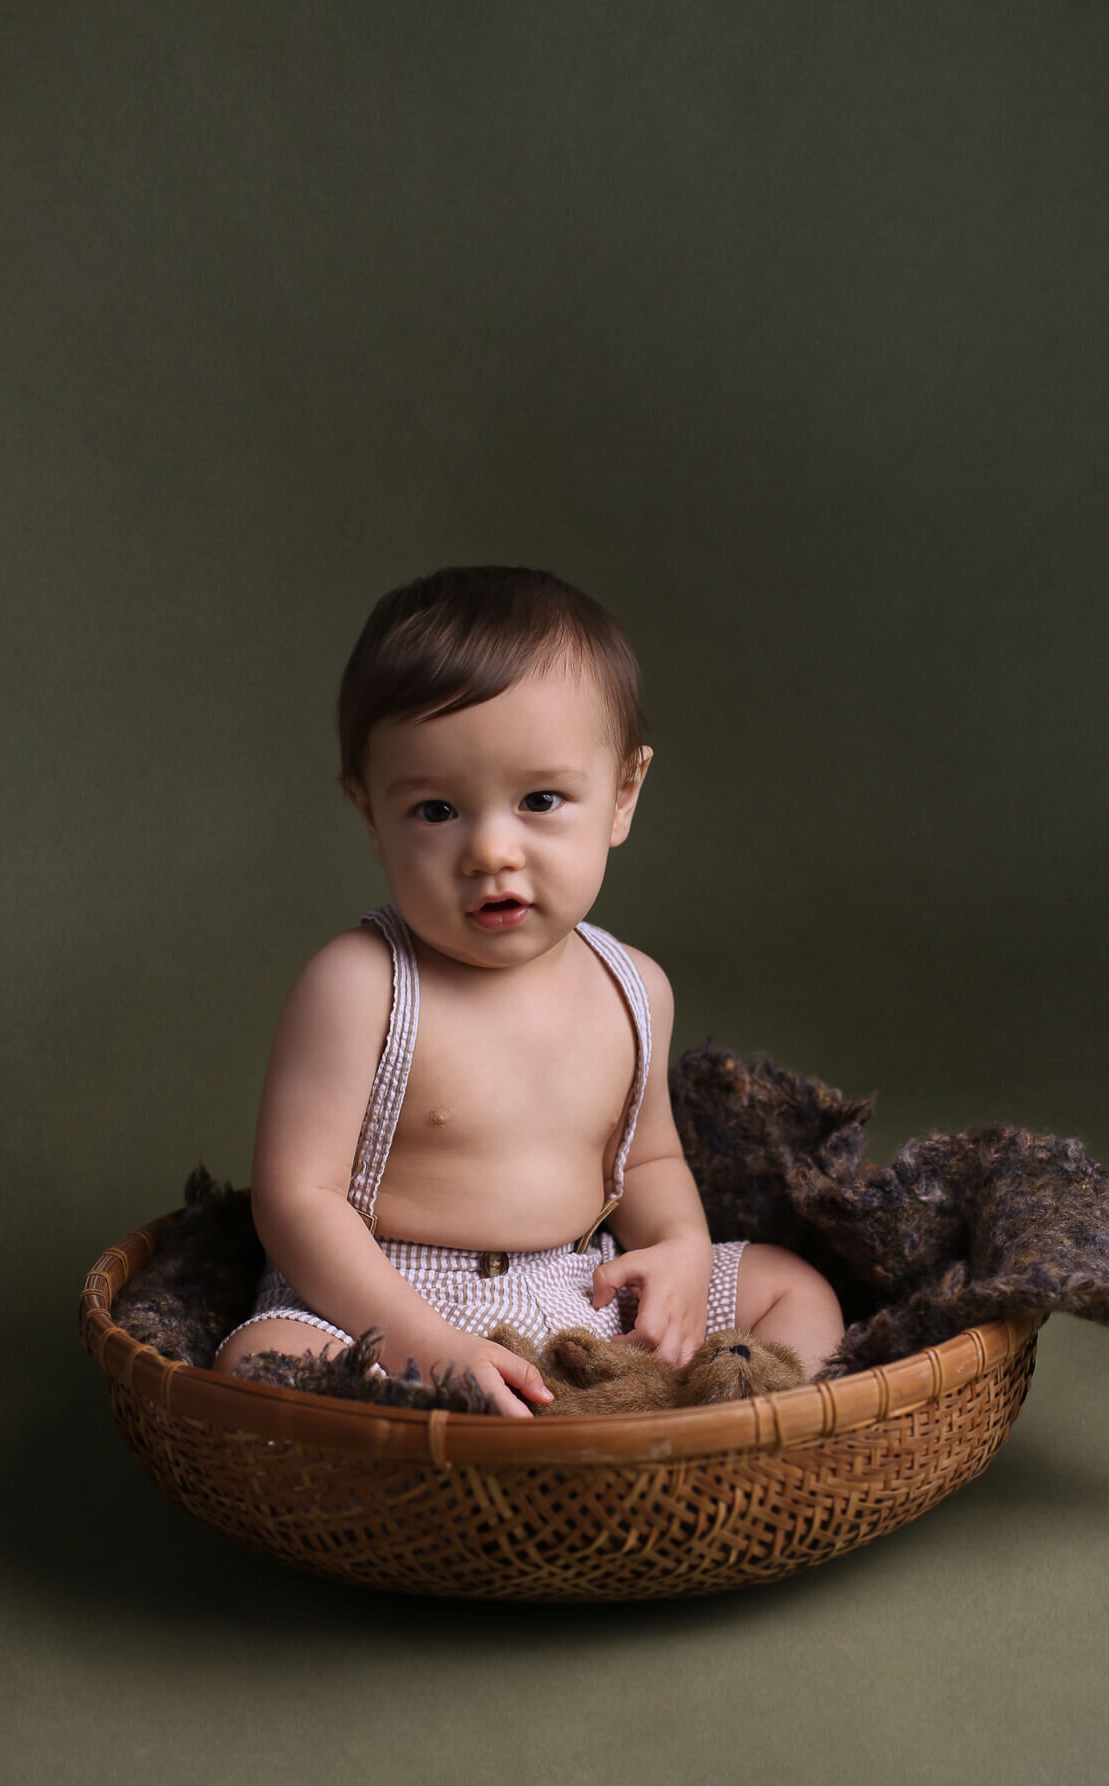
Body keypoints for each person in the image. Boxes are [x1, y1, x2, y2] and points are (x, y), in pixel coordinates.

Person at [213, 566, 844, 1415]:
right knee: (264, 1359)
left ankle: (727, 1420)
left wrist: (681, 1251)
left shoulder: (633, 987)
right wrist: (426, 1345)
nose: (490, 852)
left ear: (622, 795)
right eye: (436, 811)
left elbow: (646, 1159)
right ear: (369, 816)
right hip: (393, 1295)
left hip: (577, 1288)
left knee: (790, 1288)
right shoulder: (361, 983)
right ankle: (466, 1436)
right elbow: (298, 1201)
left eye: (539, 800)